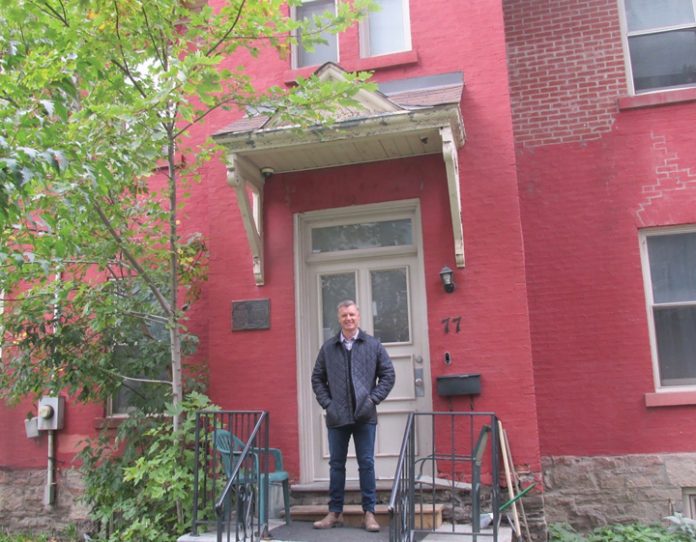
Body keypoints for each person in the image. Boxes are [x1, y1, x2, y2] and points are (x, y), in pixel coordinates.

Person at [310, 299, 396, 532]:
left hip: (364, 415)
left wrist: (372, 400)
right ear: (339, 319)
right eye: (344, 316)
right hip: (337, 417)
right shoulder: (328, 348)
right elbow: (317, 378)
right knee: (336, 465)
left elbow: (388, 374)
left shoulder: (373, 345)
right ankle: (334, 512)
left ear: (358, 317)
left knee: (366, 464)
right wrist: (328, 404)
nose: (348, 319)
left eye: (352, 315)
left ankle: (369, 513)